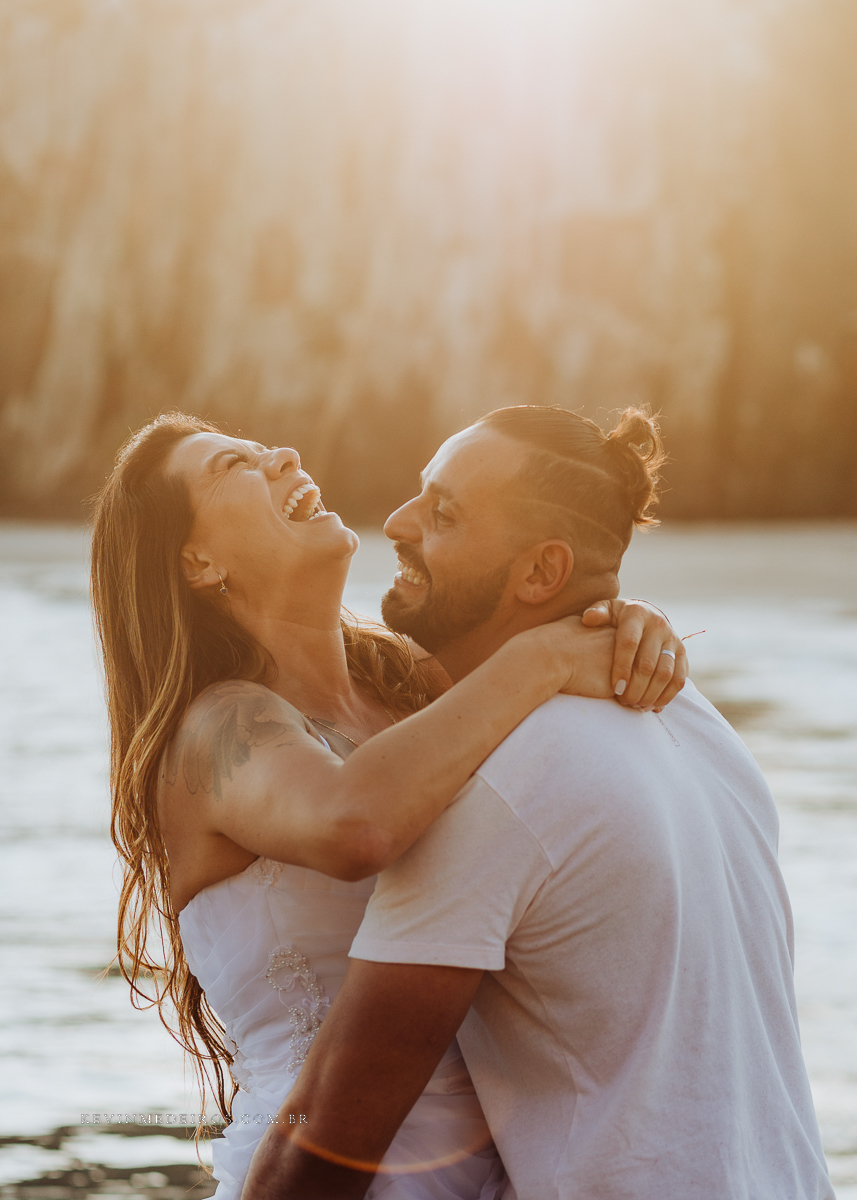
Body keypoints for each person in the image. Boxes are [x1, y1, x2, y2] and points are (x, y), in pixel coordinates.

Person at [89, 410, 687, 1200]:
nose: (283, 452)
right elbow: (354, 823)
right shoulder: (214, 730)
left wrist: (622, 622)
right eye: (231, 465)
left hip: (501, 1168)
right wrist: (540, 657)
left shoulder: (411, 688)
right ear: (198, 562)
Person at [242, 405, 834, 1200]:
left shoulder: (495, 785)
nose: (398, 521)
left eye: (443, 512)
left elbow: (323, 1154)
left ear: (539, 574)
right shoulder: (692, 719)